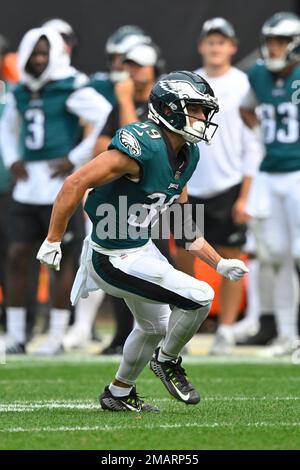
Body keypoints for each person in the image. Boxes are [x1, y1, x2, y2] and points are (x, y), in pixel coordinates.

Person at [37, 70, 248, 411]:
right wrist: (53, 239)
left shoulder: (187, 154)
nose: (203, 118)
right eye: (195, 109)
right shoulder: (142, 144)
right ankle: (167, 362)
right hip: (110, 255)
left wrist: (220, 263)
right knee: (199, 296)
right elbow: (74, 184)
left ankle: (118, 393)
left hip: (139, 249)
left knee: (154, 327)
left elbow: (185, 229)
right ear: (170, 109)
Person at [0, 27, 111, 354]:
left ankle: (57, 335)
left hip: (60, 185)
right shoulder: (20, 90)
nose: (38, 60)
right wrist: (12, 159)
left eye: (43, 54)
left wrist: (76, 157)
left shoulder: (69, 85)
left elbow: (103, 114)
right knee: (18, 256)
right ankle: (18, 334)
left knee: (64, 260)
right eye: (33, 53)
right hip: (26, 186)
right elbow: (8, 126)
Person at [174, 18, 262, 354]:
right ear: (201, 46)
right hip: (188, 184)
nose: (215, 48)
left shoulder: (243, 84)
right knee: (182, 257)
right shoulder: (187, 84)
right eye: (210, 42)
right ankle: (182, 328)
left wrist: (245, 193)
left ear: (233, 48)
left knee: (231, 260)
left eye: (221, 42)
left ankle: (225, 329)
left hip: (229, 185)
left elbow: (252, 142)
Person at [240, 12, 300, 356]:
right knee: (276, 256)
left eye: (280, 41)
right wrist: (261, 131)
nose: (274, 48)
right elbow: (246, 109)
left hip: (297, 172)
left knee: (297, 252)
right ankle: (287, 335)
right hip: (271, 171)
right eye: (271, 41)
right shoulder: (260, 74)